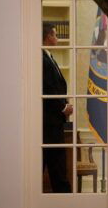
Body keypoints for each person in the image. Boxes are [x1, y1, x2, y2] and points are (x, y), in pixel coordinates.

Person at [42, 23, 73, 193]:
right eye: (55, 34)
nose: (57, 38)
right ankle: (65, 200)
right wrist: (63, 108)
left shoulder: (48, 57)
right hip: (49, 124)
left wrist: (65, 105)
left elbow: (57, 86)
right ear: (48, 37)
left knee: (57, 168)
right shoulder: (41, 58)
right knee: (58, 169)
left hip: (54, 122)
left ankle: (63, 198)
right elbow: (47, 88)